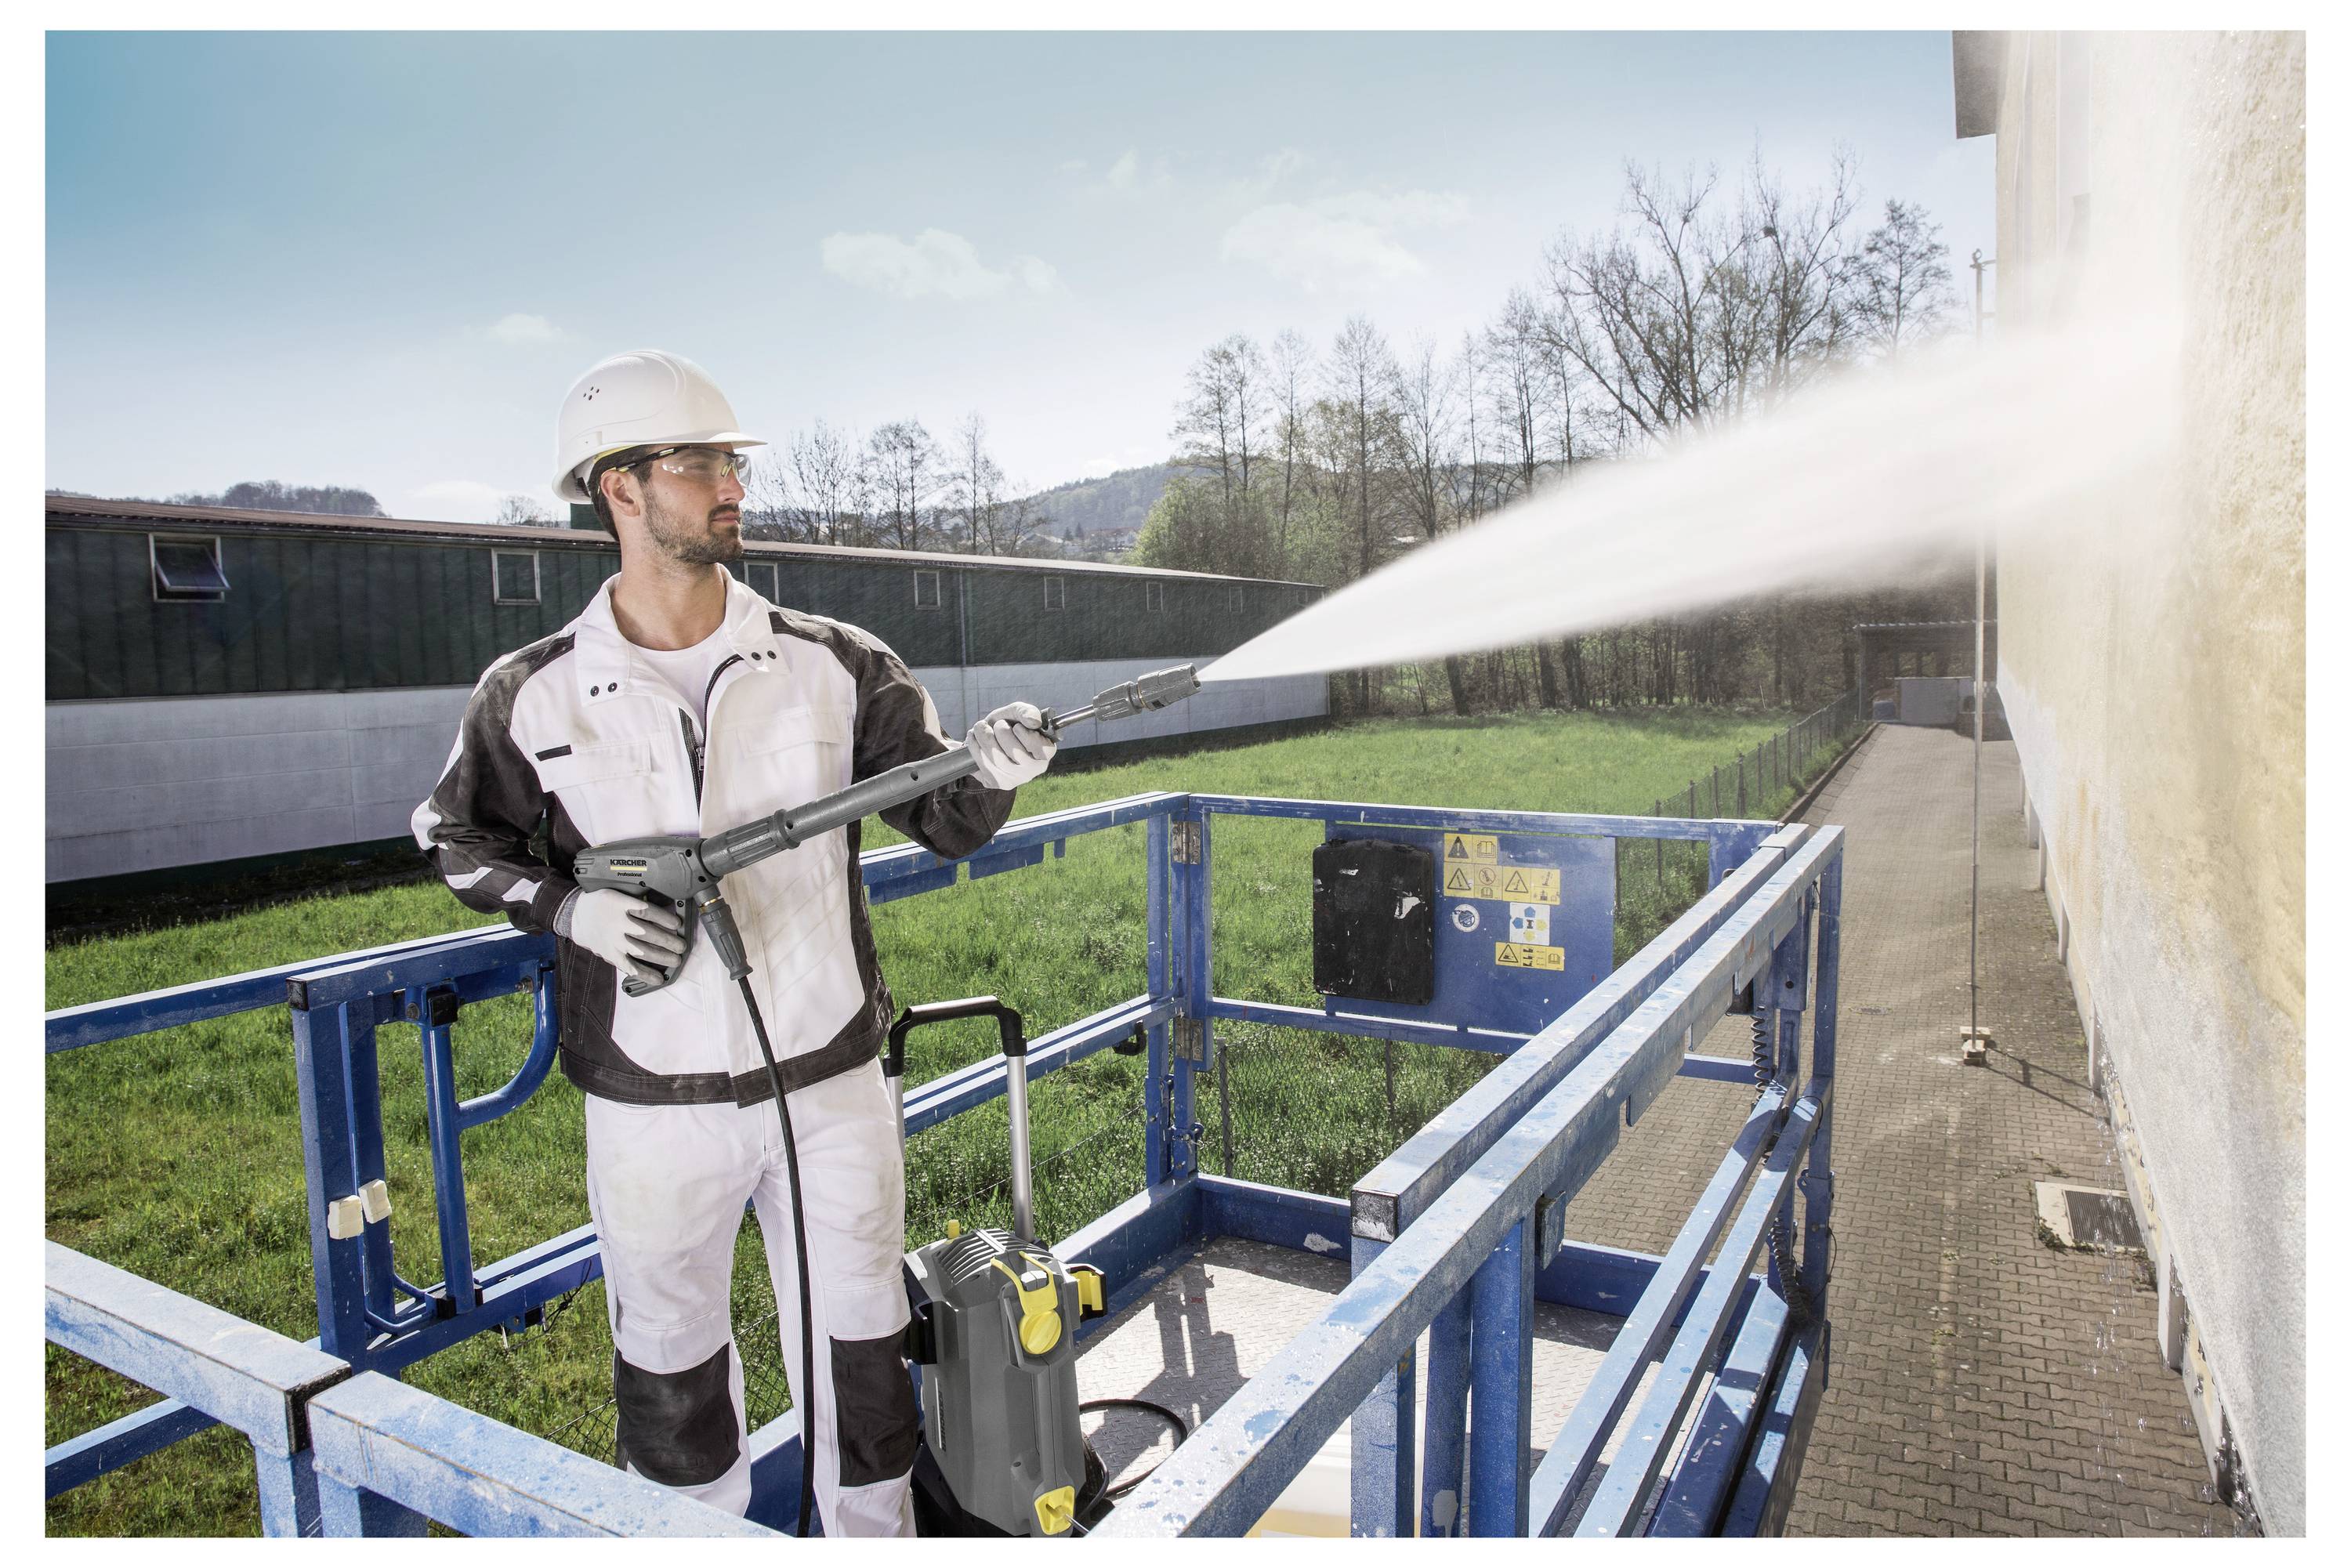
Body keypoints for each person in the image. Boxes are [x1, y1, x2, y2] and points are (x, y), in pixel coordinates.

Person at [411, 349, 1055, 1534]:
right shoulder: (533, 692)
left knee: (863, 1376)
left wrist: (999, 770)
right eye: (699, 462)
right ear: (620, 488)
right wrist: (574, 909)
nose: (730, 484)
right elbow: (451, 835)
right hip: (651, 1113)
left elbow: (946, 813)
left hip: (830, 1089)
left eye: (729, 461)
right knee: (671, 1390)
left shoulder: (834, 660)